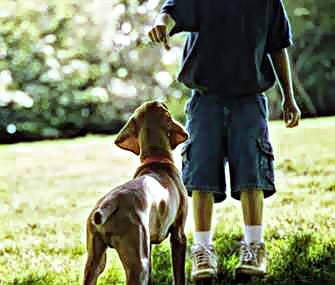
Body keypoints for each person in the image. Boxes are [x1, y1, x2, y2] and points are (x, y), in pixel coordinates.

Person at [148, 0, 301, 281]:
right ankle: (203, 250)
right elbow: (172, 11)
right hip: (206, 99)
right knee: (201, 175)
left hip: (249, 99)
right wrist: (161, 23)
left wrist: (289, 98)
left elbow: (277, 47)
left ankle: (254, 246)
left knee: (252, 172)